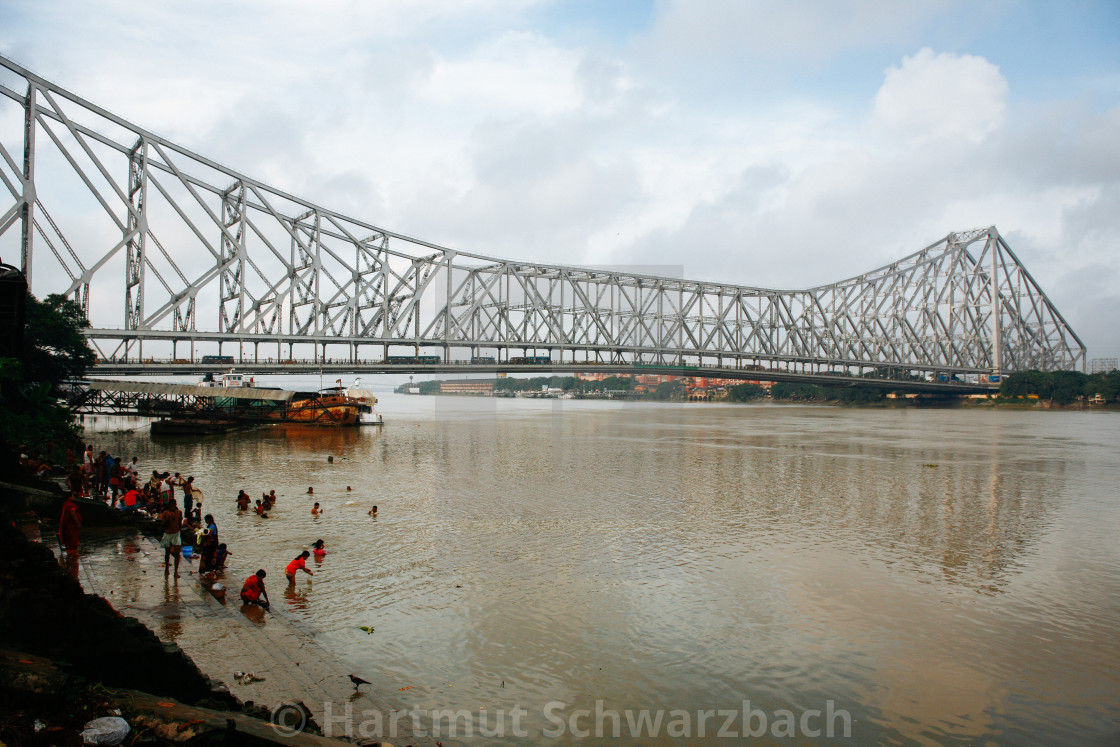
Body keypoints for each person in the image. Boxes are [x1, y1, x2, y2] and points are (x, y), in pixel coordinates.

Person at [159, 498, 186, 578]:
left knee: (177, 553)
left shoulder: (179, 512)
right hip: (168, 534)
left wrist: (179, 531)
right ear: (169, 506)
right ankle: (166, 568)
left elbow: (179, 523)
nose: (172, 507)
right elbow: (163, 525)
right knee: (167, 553)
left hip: (176, 534)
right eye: (171, 506)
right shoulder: (165, 513)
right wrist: (168, 518)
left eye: (174, 506)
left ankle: (175, 572)